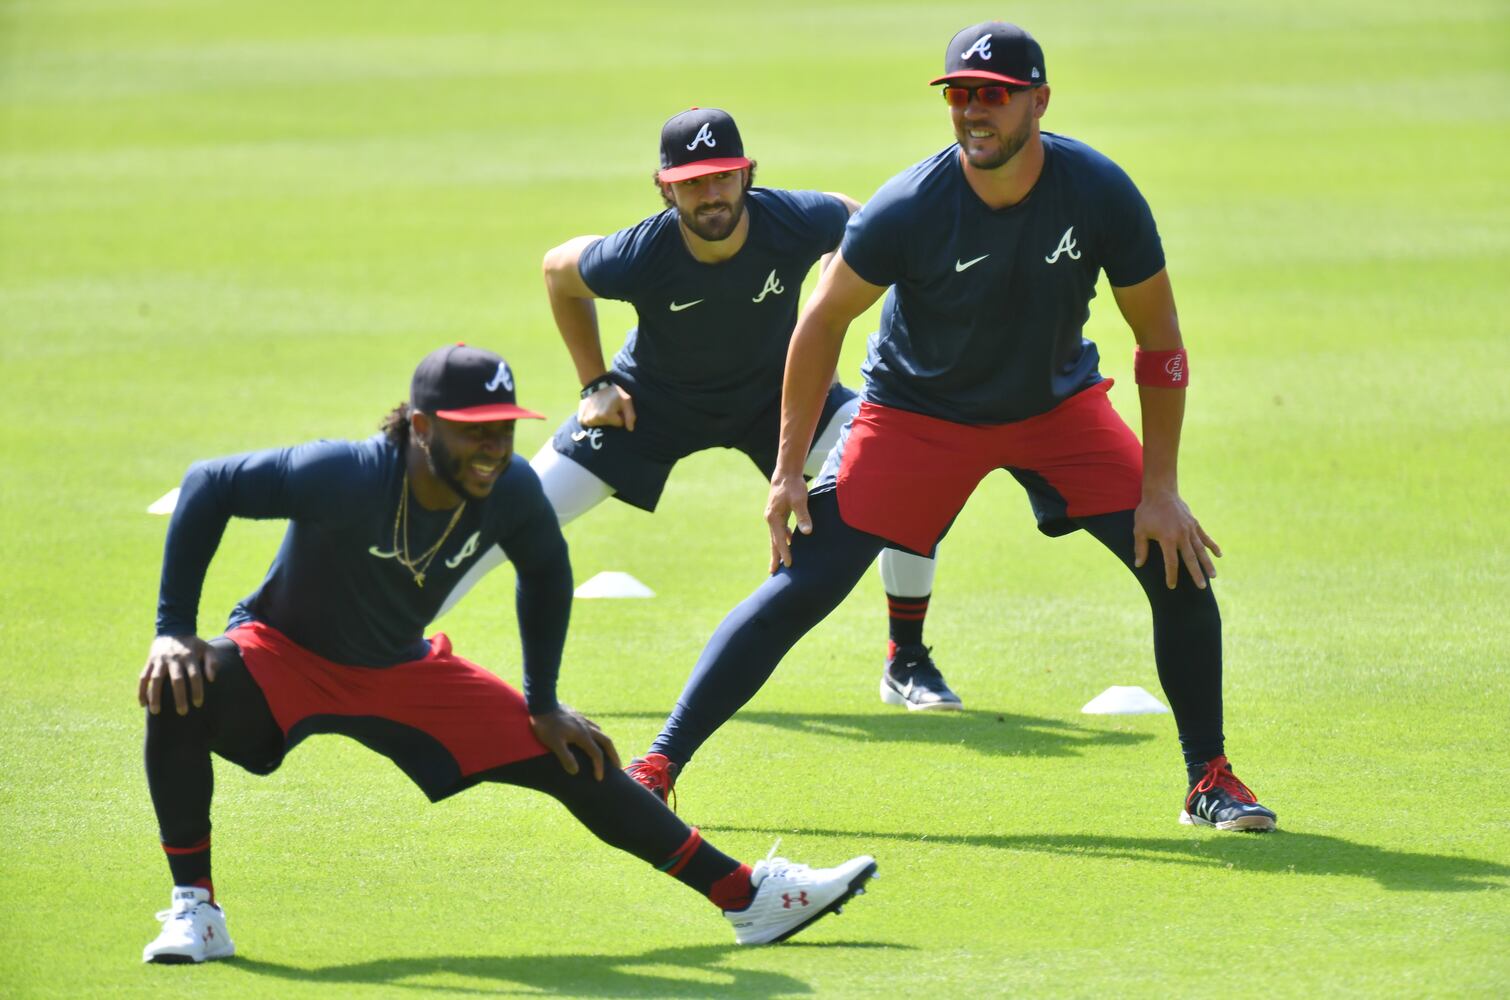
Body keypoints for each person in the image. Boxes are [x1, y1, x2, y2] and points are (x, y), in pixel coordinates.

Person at [628, 23, 1277, 832]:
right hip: (918, 416)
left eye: (994, 96)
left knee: (1177, 562)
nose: (974, 111)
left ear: (1039, 101)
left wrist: (1162, 488)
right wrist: (788, 470)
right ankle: (657, 765)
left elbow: (1161, 342)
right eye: (961, 94)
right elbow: (820, 323)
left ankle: (1208, 779)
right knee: (807, 580)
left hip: (1056, 411)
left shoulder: (1099, 191)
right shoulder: (911, 205)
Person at [136, 343, 876, 964]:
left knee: (573, 752)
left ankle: (747, 898)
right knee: (177, 685)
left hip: (402, 668)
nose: (492, 448)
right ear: (421, 426)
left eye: (503, 428)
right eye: (472, 431)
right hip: (284, 654)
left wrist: (543, 703)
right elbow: (209, 485)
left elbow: (546, 575)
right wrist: (173, 629)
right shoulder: (346, 473)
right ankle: (196, 909)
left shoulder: (511, 489)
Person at [438, 109, 965, 794]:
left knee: (902, 472)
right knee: (510, 515)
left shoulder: (793, 219)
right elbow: (557, 271)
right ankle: (392, 643)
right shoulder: (637, 254)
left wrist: (827, 306)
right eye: (691, 183)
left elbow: (855, 220)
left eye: (722, 178)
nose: (710, 195)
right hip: (649, 407)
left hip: (776, 401)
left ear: (747, 176)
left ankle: (907, 660)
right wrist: (594, 383)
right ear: (665, 189)